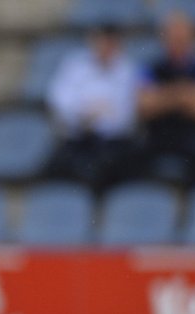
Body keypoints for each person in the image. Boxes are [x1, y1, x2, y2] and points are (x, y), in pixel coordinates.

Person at [45, 22, 140, 192]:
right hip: (78, 139)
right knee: (52, 170)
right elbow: (59, 100)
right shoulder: (75, 65)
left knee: (100, 171)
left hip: (112, 143)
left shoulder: (128, 70)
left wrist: (92, 115)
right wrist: (86, 114)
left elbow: (125, 116)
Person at [137, 10, 195, 186]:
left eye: (182, 37)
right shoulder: (152, 68)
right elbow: (145, 107)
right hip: (159, 140)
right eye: (173, 37)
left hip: (194, 142)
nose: (177, 42)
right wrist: (184, 93)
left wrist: (164, 96)